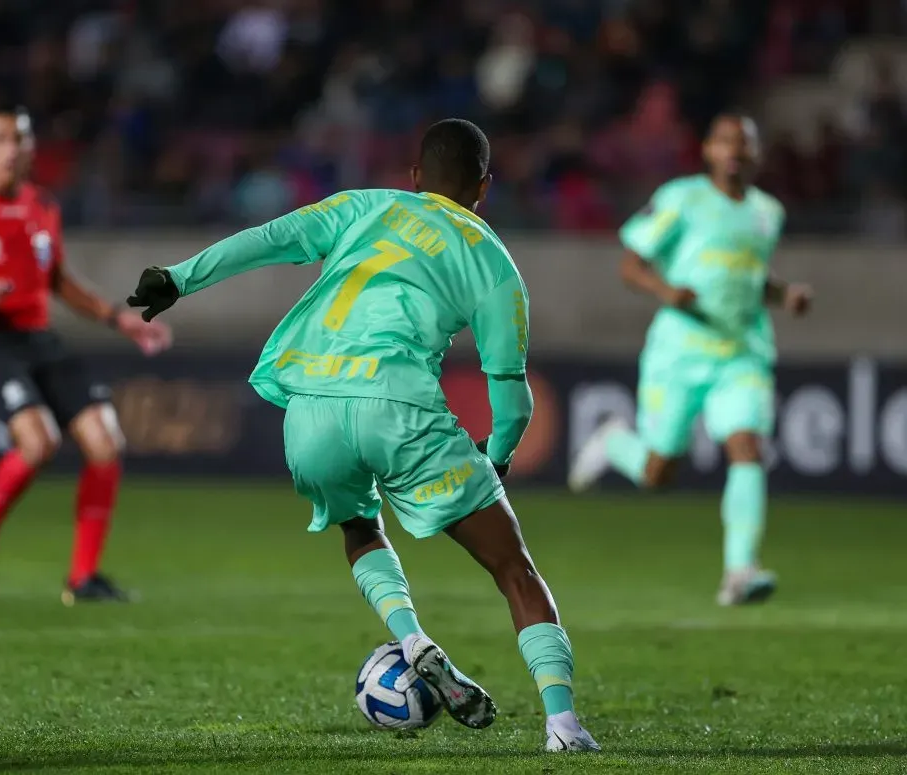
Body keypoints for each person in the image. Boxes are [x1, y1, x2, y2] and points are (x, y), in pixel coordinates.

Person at [126, 119, 600, 753]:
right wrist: (498, 458)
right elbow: (510, 397)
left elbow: (272, 238)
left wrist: (180, 277)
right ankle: (563, 728)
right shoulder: (493, 261)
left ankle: (410, 638)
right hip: (398, 408)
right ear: (484, 186)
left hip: (311, 406)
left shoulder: (365, 205)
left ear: (414, 178)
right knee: (512, 568)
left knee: (357, 524)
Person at [0, 105, 173, 604]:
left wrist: (119, 319)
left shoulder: (42, 206)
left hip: (36, 336)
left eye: (19, 140)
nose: (11, 149)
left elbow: (59, 282)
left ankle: (83, 579)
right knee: (38, 442)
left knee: (105, 442)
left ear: (30, 150)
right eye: (1, 139)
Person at [568, 114, 813, 606]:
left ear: (757, 156)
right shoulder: (682, 198)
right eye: (726, 142)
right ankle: (614, 441)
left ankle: (740, 571)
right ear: (708, 149)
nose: (736, 152)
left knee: (747, 447)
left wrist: (785, 295)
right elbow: (630, 263)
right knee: (658, 474)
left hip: (742, 350)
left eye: (745, 144)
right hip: (679, 352)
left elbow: (748, 276)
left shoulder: (768, 213)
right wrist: (665, 290)